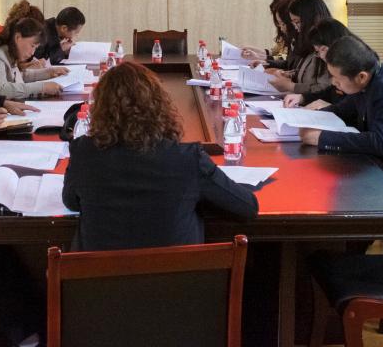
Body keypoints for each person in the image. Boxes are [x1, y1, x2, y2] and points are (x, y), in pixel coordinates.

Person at [63, 61, 258, 251]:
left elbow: (71, 201)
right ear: (159, 107)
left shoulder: (83, 152)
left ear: (99, 109)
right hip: (180, 274)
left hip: (100, 274)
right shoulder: (188, 159)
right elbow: (247, 207)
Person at [299, 36, 383, 191]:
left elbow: (380, 142)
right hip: (378, 166)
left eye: (337, 78)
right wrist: (305, 118)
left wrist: (321, 138)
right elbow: (341, 110)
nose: (333, 82)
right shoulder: (369, 81)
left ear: (361, 76)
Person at [0, 17, 67, 99]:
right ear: (18, 38)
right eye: (32, 46)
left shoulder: (9, 52)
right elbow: (1, 90)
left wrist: (49, 73)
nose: (32, 52)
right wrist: (42, 87)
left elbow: (18, 76)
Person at [269, 0, 333, 95]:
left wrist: (291, 86)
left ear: (310, 19)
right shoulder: (308, 41)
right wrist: (290, 74)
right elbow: (306, 71)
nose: (296, 28)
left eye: (297, 22)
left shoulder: (326, 45)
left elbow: (326, 88)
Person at [282, 18, 353, 108]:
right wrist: (302, 98)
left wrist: (332, 108)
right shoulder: (338, 64)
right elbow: (329, 92)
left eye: (321, 50)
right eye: (317, 52)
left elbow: (352, 108)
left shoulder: (353, 68)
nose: (320, 56)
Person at [241, 0, 296, 69]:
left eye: (282, 23)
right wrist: (255, 52)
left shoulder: (295, 37)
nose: (280, 28)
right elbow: (274, 52)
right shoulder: (284, 34)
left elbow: (285, 59)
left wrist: (261, 58)